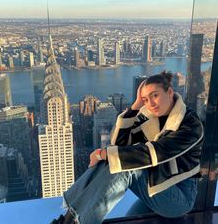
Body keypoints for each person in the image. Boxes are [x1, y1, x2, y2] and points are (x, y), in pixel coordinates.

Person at [51, 71, 204, 224]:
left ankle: (81, 222)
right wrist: (136, 105)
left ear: (170, 92)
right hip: (157, 186)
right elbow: (119, 144)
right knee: (114, 158)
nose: (150, 103)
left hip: (180, 199)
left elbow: (155, 152)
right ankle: (69, 218)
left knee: (126, 164)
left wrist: (103, 154)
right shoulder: (150, 116)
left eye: (155, 95)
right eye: (145, 99)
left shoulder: (190, 124)